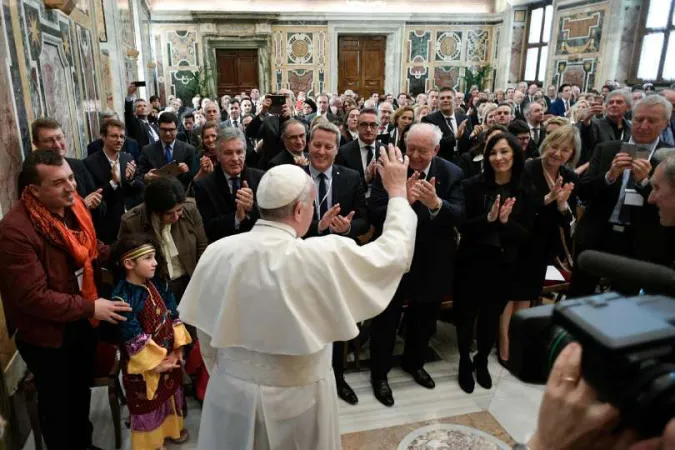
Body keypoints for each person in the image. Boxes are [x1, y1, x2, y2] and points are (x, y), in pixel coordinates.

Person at [177, 147, 416, 450]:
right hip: (299, 400)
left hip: (230, 393)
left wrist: (234, 375)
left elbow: (207, 336)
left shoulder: (218, 252)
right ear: (300, 211)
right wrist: (397, 194)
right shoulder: (321, 255)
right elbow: (393, 255)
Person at [0, 150, 132, 450]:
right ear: (34, 190)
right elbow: (32, 298)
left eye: (71, 178)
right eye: (59, 183)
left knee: (79, 393)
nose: (71, 187)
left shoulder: (72, 207)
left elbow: (88, 246)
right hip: (48, 336)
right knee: (58, 408)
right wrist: (91, 306)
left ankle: (83, 444)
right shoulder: (14, 231)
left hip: (81, 320)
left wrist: (120, 254)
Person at [368, 123, 465, 406]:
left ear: (436, 149)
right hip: (393, 260)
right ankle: (379, 375)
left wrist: (436, 204)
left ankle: (415, 362)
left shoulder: (452, 172)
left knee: (423, 319)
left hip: (431, 260)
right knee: (386, 320)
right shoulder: (392, 168)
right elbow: (374, 212)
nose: (416, 155)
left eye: (423, 150)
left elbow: (459, 214)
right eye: (411, 148)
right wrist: (402, 202)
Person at [570, 95, 673, 298]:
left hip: (639, 240)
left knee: (623, 303)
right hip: (599, 233)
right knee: (579, 295)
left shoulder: (669, 158)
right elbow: (583, 191)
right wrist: (610, 176)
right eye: (638, 119)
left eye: (651, 121)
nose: (643, 125)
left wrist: (645, 183)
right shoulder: (607, 148)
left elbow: (669, 206)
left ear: (665, 123)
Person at [454, 133, 533, 394]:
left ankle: (481, 361)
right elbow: (463, 226)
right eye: (493, 153)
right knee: (466, 315)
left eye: (504, 152)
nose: (498, 158)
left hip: (504, 263)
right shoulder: (472, 185)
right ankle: (465, 361)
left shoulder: (525, 188)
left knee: (491, 317)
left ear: (515, 155)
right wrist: (488, 219)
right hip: (472, 261)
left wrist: (504, 223)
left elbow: (527, 235)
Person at [301, 122, 370, 405]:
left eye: (328, 146)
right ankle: (308, 379)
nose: (322, 151)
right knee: (307, 326)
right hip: (303, 264)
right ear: (308, 145)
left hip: (337, 265)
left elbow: (365, 220)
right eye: (317, 144)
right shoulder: (295, 178)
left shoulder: (351, 177)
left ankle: (338, 378)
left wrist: (347, 229)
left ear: (336, 149)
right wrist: (319, 226)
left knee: (338, 324)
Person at [499, 126, 579, 364]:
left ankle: (517, 339)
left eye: (565, 149)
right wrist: (547, 199)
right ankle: (503, 342)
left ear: (572, 153)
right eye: (554, 146)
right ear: (546, 144)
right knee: (509, 295)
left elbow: (567, 219)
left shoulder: (570, 176)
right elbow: (518, 208)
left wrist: (563, 205)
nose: (558, 153)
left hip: (543, 244)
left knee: (527, 294)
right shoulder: (527, 168)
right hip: (519, 239)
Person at [111, 235, 192, 449]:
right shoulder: (122, 298)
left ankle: (172, 430)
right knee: (149, 404)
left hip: (168, 354)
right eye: (148, 258)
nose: (155, 262)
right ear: (129, 263)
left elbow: (173, 314)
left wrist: (177, 349)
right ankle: (151, 443)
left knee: (171, 394)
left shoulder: (158, 283)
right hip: (145, 364)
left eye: (154, 257)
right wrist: (157, 364)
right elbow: (132, 336)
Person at [119, 176, 208, 303]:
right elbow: (128, 263)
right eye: (169, 213)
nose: (176, 217)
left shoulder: (190, 209)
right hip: (156, 288)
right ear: (155, 212)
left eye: (179, 210)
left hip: (190, 281)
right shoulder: (132, 222)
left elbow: (202, 246)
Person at [194, 127, 265, 243]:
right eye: (228, 153)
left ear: (245, 153)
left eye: (239, 152)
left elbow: (270, 221)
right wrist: (236, 217)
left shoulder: (261, 178)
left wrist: (251, 208)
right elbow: (207, 228)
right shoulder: (203, 186)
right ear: (218, 155)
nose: (235, 158)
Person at [84, 119, 143, 243]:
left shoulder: (128, 157)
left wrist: (131, 179)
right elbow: (94, 197)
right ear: (103, 137)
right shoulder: (90, 163)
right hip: (108, 226)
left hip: (133, 219)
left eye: (122, 137)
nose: (119, 140)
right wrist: (114, 183)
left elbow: (140, 187)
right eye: (114, 136)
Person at [28, 118, 102, 211]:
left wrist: (96, 201)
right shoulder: (30, 174)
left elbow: (101, 206)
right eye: (48, 140)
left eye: (59, 138)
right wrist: (82, 206)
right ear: (36, 144)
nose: (57, 145)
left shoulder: (78, 165)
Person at [136, 111, 198, 191]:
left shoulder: (189, 150)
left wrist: (186, 171)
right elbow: (139, 175)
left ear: (176, 130)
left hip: (180, 196)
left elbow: (193, 178)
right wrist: (146, 177)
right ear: (158, 129)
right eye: (164, 130)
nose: (167, 133)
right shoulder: (147, 150)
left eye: (171, 130)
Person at [421, 87, 467, 161]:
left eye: (449, 97)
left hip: (462, 162)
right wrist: (455, 137)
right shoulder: (429, 120)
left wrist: (473, 135)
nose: (445, 100)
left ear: (455, 100)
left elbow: (468, 143)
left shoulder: (464, 118)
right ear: (438, 102)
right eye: (442, 98)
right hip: (441, 162)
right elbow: (431, 144)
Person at [125, 84, 160, 148]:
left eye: (144, 106)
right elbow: (128, 113)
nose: (143, 108)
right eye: (139, 106)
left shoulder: (152, 125)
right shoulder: (135, 123)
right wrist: (129, 95)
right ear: (134, 112)